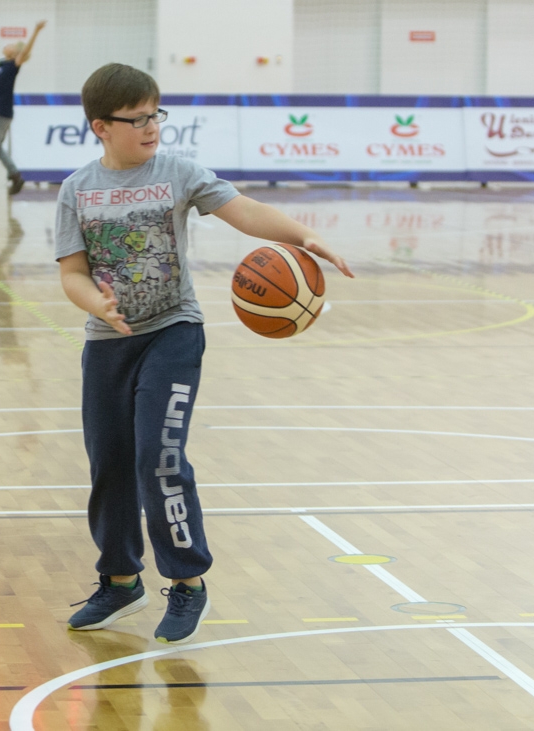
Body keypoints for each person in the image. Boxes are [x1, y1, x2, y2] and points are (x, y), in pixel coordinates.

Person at [56, 63, 353, 644]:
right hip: (107, 344)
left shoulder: (178, 173)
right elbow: (72, 273)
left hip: (173, 332)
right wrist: (98, 303)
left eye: (155, 115)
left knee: (159, 457)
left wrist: (301, 235)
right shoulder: (77, 190)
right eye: (136, 119)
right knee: (109, 463)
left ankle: (188, 583)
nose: (151, 127)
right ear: (101, 127)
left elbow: (244, 210)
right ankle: (120, 580)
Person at [0, 20, 46, 209]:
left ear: (16, 53)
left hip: (1, 113)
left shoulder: (14, 64)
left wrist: (36, 30)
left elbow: (26, 51)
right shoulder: (2, 64)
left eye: (13, 45)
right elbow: (2, 83)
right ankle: (15, 175)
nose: (9, 44)